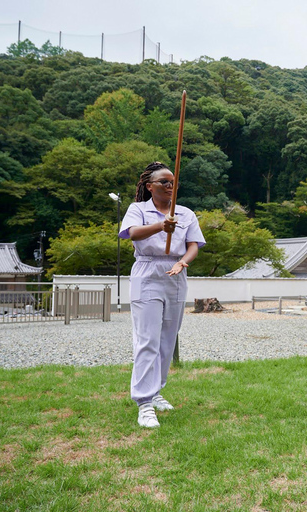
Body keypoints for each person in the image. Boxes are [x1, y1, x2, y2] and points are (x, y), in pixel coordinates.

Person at [119, 161, 205, 428]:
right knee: (148, 338)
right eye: (164, 182)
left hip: (176, 274)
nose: (170, 186)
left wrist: (184, 262)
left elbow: (193, 244)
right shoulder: (138, 209)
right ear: (150, 186)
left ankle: (156, 391)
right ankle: (144, 402)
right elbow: (131, 233)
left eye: (173, 182)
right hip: (147, 273)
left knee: (168, 338)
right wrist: (160, 227)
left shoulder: (186, 213)